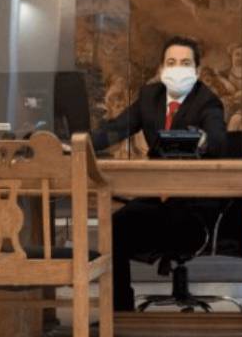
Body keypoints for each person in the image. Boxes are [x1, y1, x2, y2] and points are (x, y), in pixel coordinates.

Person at [91, 36, 228, 311]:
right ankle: (120, 312)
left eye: (185, 63)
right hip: (156, 197)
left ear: (197, 70)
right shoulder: (149, 97)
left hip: (192, 205)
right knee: (114, 227)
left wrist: (202, 141)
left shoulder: (207, 102)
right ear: (162, 68)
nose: (177, 69)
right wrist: (77, 145)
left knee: (148, 222)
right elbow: (114, 130)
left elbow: (218, 139)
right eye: (171, 62)